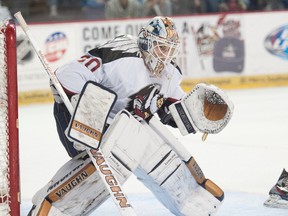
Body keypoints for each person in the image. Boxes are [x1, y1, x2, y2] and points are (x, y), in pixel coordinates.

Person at [28, 16, 232, 215]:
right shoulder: (121, 57)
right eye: (161, 48)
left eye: (170, 50)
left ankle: (190, 202)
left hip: (123, 128)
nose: (165, 56)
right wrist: (91, 113)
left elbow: (174, 109)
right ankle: (55, 208)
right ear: (146, 42)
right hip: (76, 118)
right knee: (115, 156)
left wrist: (193, 114)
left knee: (153, 150)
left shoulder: (170, 73)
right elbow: (66, 75)